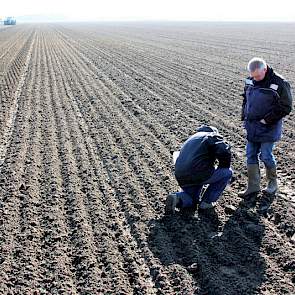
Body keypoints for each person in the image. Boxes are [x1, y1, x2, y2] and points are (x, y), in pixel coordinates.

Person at [239, 57, 293, 197]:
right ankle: (253, 186)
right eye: (253, 76)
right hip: (252, 125)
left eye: (258, 76)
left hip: (268, 127)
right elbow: (246, 99)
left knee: (266, 156)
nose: (255, 79)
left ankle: (272, 184)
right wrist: (244, 115)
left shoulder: (279, 83)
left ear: (265, 69)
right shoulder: (250, 80)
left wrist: (266, 120)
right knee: (250, 154)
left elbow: (286, 107)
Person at [165, 125, 233, 214]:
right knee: (227, 172)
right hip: (198, 172)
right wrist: (223, 166)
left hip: (181, 174)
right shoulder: (210, 135)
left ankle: (176, 198)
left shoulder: (190, 140)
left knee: (192, 199)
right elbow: (223, 150)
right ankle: (207, 202)